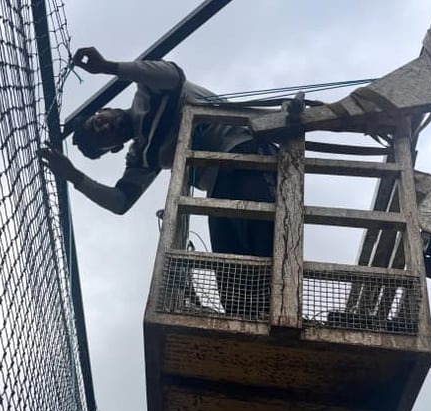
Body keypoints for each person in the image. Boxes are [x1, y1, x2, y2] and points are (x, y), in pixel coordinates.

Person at [38, 47, 276, 317]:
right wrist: (74, 177)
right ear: (114, 148)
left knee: (263, 233)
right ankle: (252, 320)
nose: (104, 128)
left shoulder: (148, 93)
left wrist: (107, 67)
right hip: (220, 185)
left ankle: (280, 311)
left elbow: (173, 75)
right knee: (231, 274)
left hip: (246, 150)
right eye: (101, 138)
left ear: (105, 109)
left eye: (97, 123)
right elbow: (120, 201)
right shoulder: (144, 156)